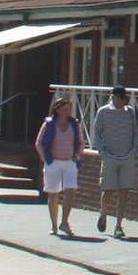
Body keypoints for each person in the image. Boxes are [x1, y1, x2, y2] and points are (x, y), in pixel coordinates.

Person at [90, 86, 138, 238]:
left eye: (125, 98)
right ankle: (103, 213)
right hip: (110, 156)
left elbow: (135, 132)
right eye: (120, 98)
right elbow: (97, 132)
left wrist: (133, 150)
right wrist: (102, 152)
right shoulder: (103, 112)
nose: (123, 101)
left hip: (127, 156)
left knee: (124, 191)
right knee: (108, 189)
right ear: (113, 97)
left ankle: (119, 225)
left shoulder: (129, 112)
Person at [35, 96, 84, 236]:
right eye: (64, 109)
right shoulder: (49, 124)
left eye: (68, 109)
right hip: (53, 162)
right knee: (53, 193)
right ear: (57, 110)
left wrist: (78, 155)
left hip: (69, 162)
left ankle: (65, 222)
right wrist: (45, 159)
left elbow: (81, 142)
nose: (67, 112)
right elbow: (39, 143)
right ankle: (54, 225)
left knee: (70, 190)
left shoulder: (74, 124)